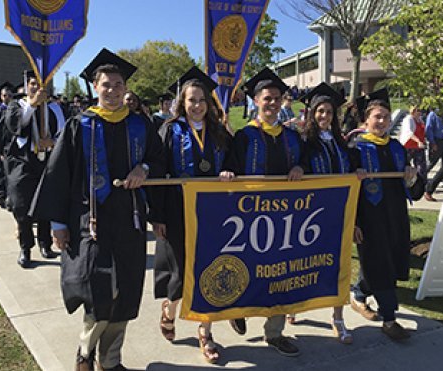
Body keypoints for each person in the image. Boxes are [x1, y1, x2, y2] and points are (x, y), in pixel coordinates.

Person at [31, 48, 164, 371]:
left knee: (127, 293)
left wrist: (142, 169)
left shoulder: (140, 124)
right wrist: (58, 224)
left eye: (119, 85)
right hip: (89, 222)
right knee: (98, 292)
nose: (113, 90)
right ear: (94, 87)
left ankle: (111, 359)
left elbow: (158, 159)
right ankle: (85, 352)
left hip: (130, 220)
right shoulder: (79, 125)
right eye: (107, 84)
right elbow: (58, 175)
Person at [150, 66, 232, 363]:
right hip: (176, 211)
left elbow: (234, 162)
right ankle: (169, 311)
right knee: (179, 272)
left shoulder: (221, 132)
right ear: (181, 103)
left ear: (209, 103)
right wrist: (156, 216)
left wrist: (229, 172)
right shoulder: (169, 131)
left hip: (214, 213)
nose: (197, 106)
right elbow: (157, 173)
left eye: (201, 100)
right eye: (191, 100)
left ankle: (205, 331)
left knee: (209, 271)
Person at [222, 67, 304, 357]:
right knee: (249, 267)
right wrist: (229, 173)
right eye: (266, 98)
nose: (272, 103)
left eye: (277, 98)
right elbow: (230, 166)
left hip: (283, 219)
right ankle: (239, 308)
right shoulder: (244, 137)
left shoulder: (292, 137)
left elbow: (303, 163)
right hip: (251, 217)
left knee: (279, 274)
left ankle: (275, 333)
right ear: (256, 101)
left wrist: (299, 168)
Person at [286, 82, 361, 344]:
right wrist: (297, 167)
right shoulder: (303, 141)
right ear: (311, 113)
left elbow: (353, 166)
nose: (324, 116)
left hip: (336, 216)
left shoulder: (341, 143)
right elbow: (297, 164)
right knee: (302, 262)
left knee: (338, 266)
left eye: (328, 112)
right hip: (308, 217)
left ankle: (338, 317)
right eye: (319, 111)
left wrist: (358, 171)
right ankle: (294, 305)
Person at [349, 88, 417, 341]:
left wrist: (411, 178)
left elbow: (413, 188)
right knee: (380, 263)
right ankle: (389, 319)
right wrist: (353, 222)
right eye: (377, 116)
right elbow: (348, 190)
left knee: (390, 260)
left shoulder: (397, 147)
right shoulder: (356, 147)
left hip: (396, 214)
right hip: (369, 217)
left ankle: (358, 293)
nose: (382, 121)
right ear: (366, 120)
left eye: (386, 117)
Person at [3, 70, 63, 267]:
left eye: (41, 83)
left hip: (47, 163)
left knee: (45, 204)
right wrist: (33, 104)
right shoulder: (17, 106)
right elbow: (15, 126)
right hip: (23, 164)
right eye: (33, 83)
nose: (37, 87)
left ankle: (45, 244)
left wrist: (52, 142)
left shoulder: (54, 108)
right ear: (26, 85)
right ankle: (25, 247)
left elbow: (63, 134)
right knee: (22, 208)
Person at [399, 106, 428, 181]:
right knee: (405, 165)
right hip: (408, 146)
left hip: (419, 147)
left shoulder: (420, 120)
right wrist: (418, 141)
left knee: (421, 167)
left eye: (420, 111)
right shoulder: (408, 119)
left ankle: (422, 182)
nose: (419, 112)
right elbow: (409, 132)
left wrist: (423, 141)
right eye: (418, 111)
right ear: (413, 111)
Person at [425, 109, 443, 174]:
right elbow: (428, 129)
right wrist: (432, 142)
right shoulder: (433, 114)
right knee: (432, 162)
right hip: (437, 141)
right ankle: (421, 178)